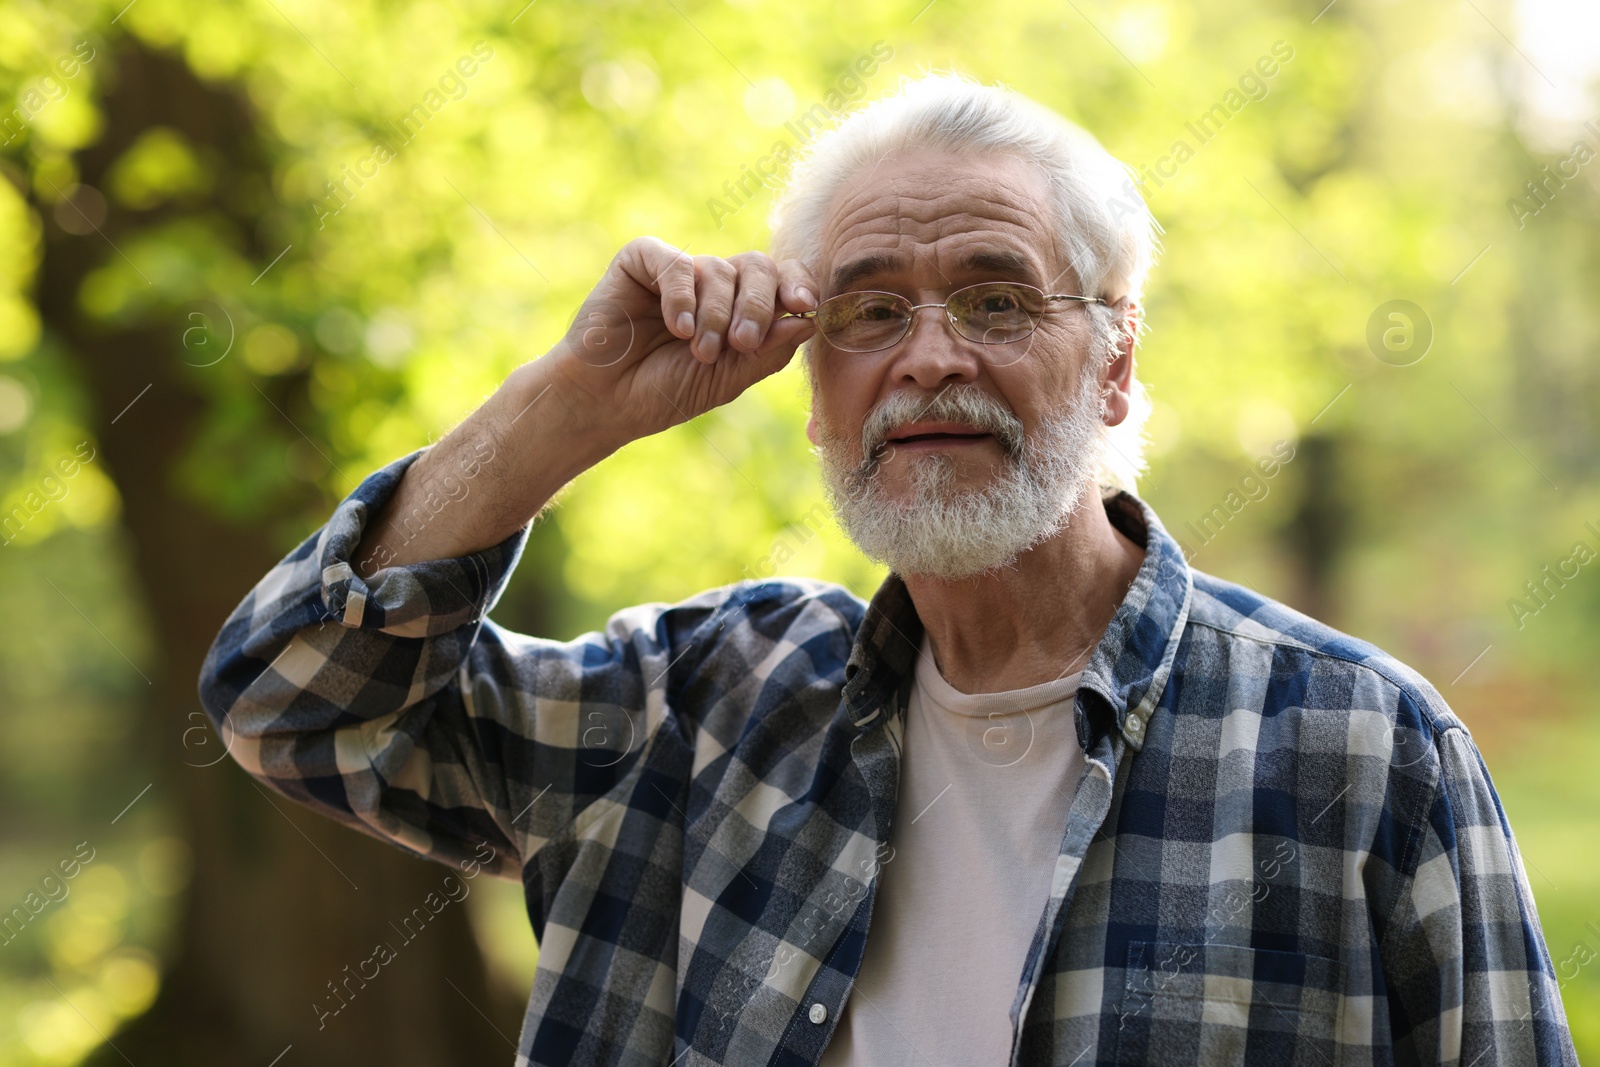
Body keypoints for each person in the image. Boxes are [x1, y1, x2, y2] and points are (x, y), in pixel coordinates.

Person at [198, 72, 1576, 1066]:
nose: (929, 356)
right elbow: (292, 705)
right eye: (868, 310)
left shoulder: (1363, 748)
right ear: (812, 385)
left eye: (995, 298)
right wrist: (576, 401)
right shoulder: (692, 713)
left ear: (1116, 363)